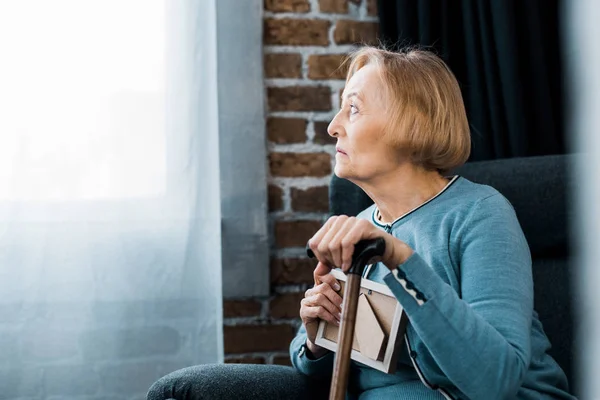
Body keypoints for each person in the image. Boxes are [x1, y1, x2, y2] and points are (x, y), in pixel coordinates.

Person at [290, 46, 575, 399]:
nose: (333, 127)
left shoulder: (479, 214)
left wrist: (399, 258)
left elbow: (496, 380)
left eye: (353, 109)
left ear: (412, 122)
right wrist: (317, 333)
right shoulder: (360, 227)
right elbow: (309, 364)